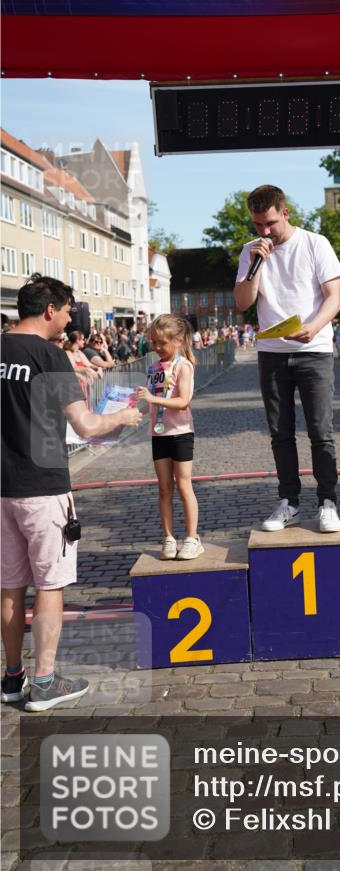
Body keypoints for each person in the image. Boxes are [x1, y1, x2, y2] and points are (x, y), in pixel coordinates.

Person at [1, 274, 141, 711]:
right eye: (66, 312)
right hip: (42, 485)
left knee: (9, 585)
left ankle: (12, 677)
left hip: (2, 487)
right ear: (49, 310)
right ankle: (44, 682)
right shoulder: (50, 356)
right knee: (50, 583)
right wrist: (123, 418)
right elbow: (86, 424)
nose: (68, 320)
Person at [234, 184, 340, 533]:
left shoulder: (315, 243)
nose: (264, 231)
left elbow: (334, 297)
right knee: (280, 433)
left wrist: (314, 326)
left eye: (270, 223)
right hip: (272, 353)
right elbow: (243, 302)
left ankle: (327, 501)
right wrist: (255, 267)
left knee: (320, 430)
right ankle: (289, 502)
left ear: (285, 213)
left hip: (314, 350)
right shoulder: (250, 251)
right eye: (257, 224)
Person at [135, 314, 202, 561]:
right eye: (153, 342)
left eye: (162, 343)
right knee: (164, 488)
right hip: (159, 432)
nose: (157, 347)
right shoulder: (154, 368)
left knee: (184, 485)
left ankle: (192, 538)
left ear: (177, 340)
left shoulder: (184, 366)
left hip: (180, 432)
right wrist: (130, 411)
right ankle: (169, 538)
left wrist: (152, 399)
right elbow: (149, 403)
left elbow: (183, 401)